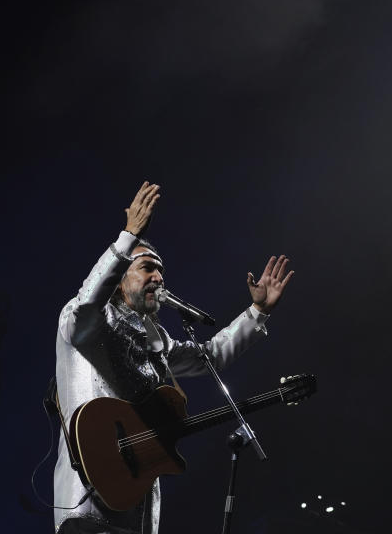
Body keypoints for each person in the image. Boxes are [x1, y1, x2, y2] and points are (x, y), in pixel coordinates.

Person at [53, 181, 293, 534]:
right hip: (89, 501)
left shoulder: (156, 339)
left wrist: (257, 311)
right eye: (148, 267)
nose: (159, 276)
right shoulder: (86, 322)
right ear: (119, 278)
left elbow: (210, 356)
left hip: (137, 500)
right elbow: (89, 299)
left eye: (162, 270)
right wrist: (128, 236)